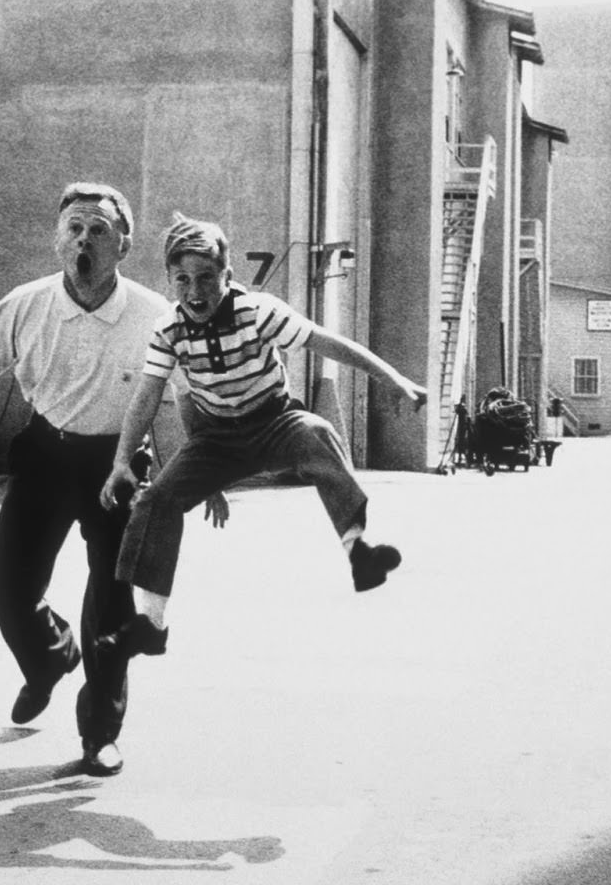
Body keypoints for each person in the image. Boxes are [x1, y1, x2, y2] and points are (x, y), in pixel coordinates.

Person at [0, 182, 221, 777]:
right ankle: (50, 659)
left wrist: (196, 475)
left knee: (111, 608)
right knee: (8, 589)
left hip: (120, 467)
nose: (84, 239)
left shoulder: (156, 316)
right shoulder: (24, 305)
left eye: (99, 230)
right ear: (58, 240)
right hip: (45, 456)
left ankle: (99, 735)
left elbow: (180, 403)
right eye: (74, 228)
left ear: (122, 245)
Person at [95, 213, 430, 657]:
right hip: (216, 440)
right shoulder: (168, 329)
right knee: (156, 500)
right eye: (183, 280)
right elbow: (148, 395)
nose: (195, 292)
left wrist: (396, 381)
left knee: (319, 432)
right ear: (171, 281)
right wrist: (122, 461)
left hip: (274, 422)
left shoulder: (257, 310)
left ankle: (358, 554)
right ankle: (150, 625)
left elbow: (329, 343)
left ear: (227, 276)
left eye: (207, 279)